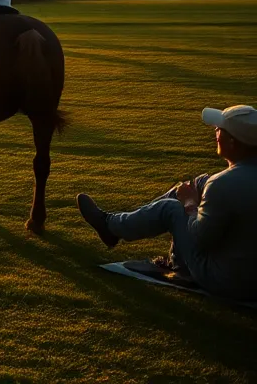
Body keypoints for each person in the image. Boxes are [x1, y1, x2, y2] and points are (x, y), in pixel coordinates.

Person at [76, 105, 257, 301]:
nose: (215, 131)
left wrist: (190, 203)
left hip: (228, 281)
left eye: (220, 128)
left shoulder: (222, 184)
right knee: (198, 184)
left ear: (232, 141)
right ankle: (115, 227)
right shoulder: (221, 182)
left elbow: (201, 238)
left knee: (171, 209)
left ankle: (112, 227)